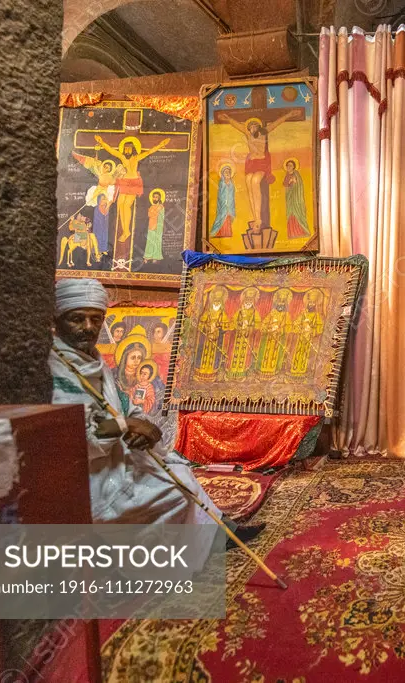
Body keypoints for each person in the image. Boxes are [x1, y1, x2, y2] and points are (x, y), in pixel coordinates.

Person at [50, 278, 264, 546]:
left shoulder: (92, 359)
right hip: (89, 475)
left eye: (96, 319)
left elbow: (121, 405)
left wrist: (136, 423)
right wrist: (126, 425)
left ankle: (219, 530)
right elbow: (77, 438)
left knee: (177, 470)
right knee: (172, 493)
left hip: (113, 455)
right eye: (77, 319)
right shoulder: (57, 368)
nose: (88, 328)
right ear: (57, 320)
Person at [217, 110, 301, 230]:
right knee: (249, 181)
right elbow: (238, 126)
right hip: (251, 163)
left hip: (262, 162)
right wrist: (228, 119)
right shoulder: (248, 134)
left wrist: (288, 114)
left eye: (255, 126)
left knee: (255, 181)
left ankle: (259, 219)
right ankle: (255, 216)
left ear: (258, 127)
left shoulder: (264, 133)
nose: (252, 128)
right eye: (250, 127)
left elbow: (276, 123)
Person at [282, 159, 311, 239]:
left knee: (298, 213)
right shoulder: (287, 175)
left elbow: (300, 185)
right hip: (289, 199)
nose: (288, 167)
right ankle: (292, 234)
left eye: (290, 165)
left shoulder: (296, 174)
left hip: (296, 198)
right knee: (290, 214)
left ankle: (303, 232)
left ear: (294, 167)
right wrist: (289, 182)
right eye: (287, 165)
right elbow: (285, 184)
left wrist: (294, 182)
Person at [211, 164, 236, 239]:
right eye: (225, 172)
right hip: (223, 204)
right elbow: (221, 194)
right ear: (222, 174)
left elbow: (232, 194)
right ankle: (218, 232)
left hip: (230, 204)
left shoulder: (231, 184)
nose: (227, 173)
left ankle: (227, 233)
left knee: (227, 217)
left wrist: (230, 203)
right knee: (221, 216)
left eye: (229, 172)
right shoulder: (221, 183)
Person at [144, 189, 165, 263]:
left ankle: (155, 257)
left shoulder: (161, 207)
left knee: (157, 242)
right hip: (151, 225)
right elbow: (150, 215)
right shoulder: (151, 207)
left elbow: (160, 217)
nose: (155, 198)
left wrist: (153, 212)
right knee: (150, 241)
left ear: (159, 198)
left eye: (156, 197)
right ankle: (147, 256)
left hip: (158, 227)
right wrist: (153, 212)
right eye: (154, 197)